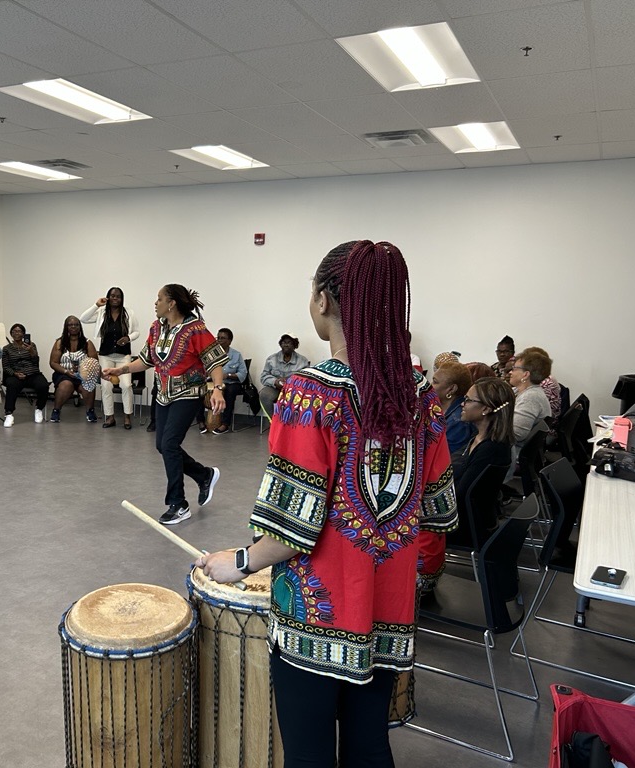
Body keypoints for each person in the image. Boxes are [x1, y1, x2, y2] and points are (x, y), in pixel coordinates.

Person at [196, 240, 455, 768]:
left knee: (309, 755)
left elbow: (291, 530)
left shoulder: (310, 394)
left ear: (322, 301)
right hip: (388, 609)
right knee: (368, 747)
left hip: (317, 616)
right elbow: (441, 509)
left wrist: (238, 562)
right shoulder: (421, 394)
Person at [102, 285, 226, 525]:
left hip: (188, 393)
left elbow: (215, 360)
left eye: (159, 299)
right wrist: (120, 369)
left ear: (172, 303)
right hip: (163, 394)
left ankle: (178, 504)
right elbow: (146, 360)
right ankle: (204, 475)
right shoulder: (156, 327)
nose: (155, 303)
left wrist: (218, 389)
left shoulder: (195, 329)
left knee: (169, 444)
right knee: (162, 445)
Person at [418, 377, 515, 592]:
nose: (462, 403)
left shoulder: (491, 450)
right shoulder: (480, 439)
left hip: (465, 525)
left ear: (486, 409)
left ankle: (417, 581)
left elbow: (460, 496)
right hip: (474, 517)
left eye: (469, 400)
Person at [80, 288, 140, 429]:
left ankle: (127, 417)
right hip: (105, 356)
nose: (115, 299)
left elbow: (137, 331)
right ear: (107, 297)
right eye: (112, 296)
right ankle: (110, 417)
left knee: (126, 385)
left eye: (118, 296)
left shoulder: (129, 313)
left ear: (122, 298)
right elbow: (83, 318)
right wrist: (96, 305)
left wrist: (128, 338)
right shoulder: (101, 313)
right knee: (106, 386)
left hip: (123, 356)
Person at [48, 316, 99, 423]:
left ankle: (90, 411)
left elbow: (94, 362)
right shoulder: (59, 342)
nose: (73, 327)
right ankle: (56, 410)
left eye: (76, 324)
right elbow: (53, 363)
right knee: (66, 385)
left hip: (83, 373)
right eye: (70, 325)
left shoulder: (87, 343)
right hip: (64, 373)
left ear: (80, 327)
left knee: (88, 383)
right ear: (66, 327)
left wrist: (82, 368)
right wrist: (66, 371)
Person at [197, 327, 246, 435]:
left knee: (230, 391)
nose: (219, 340)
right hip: (212, 382)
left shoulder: (236, 355)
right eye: (218, 337)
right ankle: (200, 421)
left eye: (222, 338)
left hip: (230, 383)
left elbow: (243, 374)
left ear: (229, 341)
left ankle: (225, 424)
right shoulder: (210, 354)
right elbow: (202, 370)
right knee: (199, 389)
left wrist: (227, 375)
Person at [0, 323, 50, 425]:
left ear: (23, 334)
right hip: (15, 375)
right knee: (12, 385)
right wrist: (15, 373)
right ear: (11, 334)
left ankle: (39, 409)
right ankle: (9, 414)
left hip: (32, 373)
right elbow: (6, 366)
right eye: (14, 331)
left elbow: (36, 362)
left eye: (20, 331)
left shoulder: (31, 345)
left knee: (43, 385)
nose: (17, 333)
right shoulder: (6, 348)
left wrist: (32, 352)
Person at [510, 348, 553, 449]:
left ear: (525, 375)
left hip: (514, 453)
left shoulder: (530, 398)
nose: (510, 372)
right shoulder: (519, 391)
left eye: (514, 368)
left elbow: (516, 434)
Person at [259, 334, 310, 416]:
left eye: (289, 342)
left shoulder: (302, 361)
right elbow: (264, 376)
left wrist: (291, 382)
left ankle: (292, 424)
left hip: (294, 389)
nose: (286, 344)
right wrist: (275, 381)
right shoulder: (271, 359)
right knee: (264, 395)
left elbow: (307, 379)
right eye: (284, 342)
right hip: (275, 388)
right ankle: (273, 423)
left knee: (302, 397)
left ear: (294, 345)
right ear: (280, 344)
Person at [431, 361, 473, 456]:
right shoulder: (436, 407)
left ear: (451, 389)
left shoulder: (459, 421)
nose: (430, 386)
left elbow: (443, 458)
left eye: (435, 382)